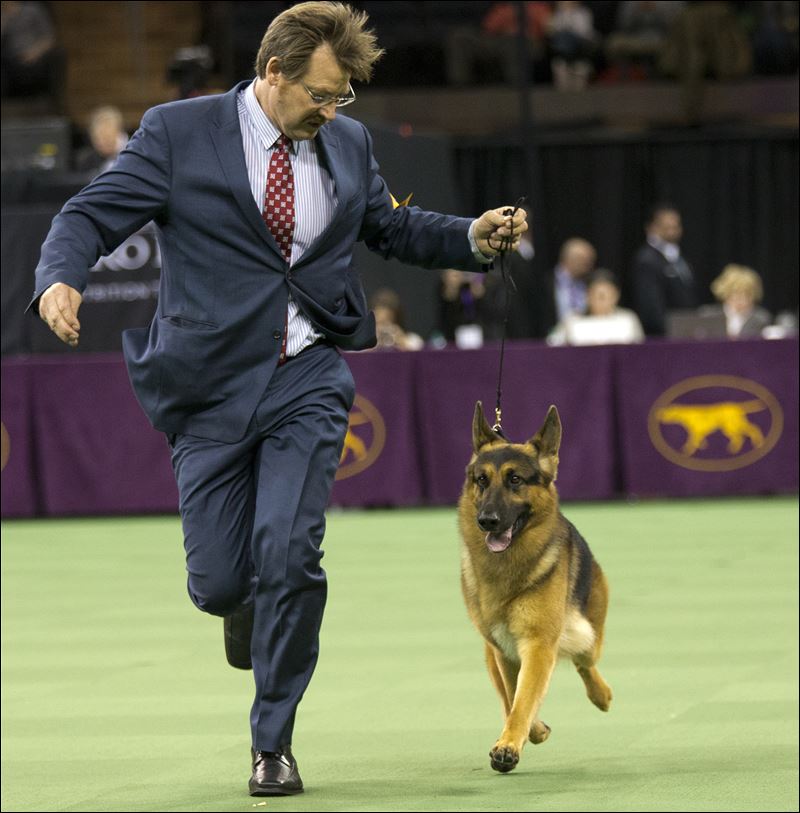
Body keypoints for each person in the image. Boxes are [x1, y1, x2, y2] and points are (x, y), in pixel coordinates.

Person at [29, 1, 527, 798]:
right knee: (222, 582)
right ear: (273, 74)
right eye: (322, 95)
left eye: (343, 99)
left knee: (291, 553)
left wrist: (471, 235)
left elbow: (391, 229)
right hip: (208, 383)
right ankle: (242, 606)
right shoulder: (176, 133)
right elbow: (89, 214)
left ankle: (273, 741)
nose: (333, 112)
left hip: (308, 374)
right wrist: (59, 276)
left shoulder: (348, 141)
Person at [630, 203, 697, 336]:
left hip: (686, 332)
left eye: (675, 226)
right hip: (663, 336)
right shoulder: (647, 260)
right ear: (651, 228)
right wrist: (673, 330)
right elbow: (651, 308)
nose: (672, 231)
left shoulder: (679, 257)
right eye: (666, 227)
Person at [549, 268, 645, 345]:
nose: (601, 300)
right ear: (587, 295)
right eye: (597, 295)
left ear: (616, 296)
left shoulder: (628, 319)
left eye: (605, 296)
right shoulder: (572, 320)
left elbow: (639, 350)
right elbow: (553, 344)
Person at [532, 236, 596, 338]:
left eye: (590, 260)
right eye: (582, 259)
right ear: (567, 258)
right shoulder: (545, 283)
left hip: (584, 340)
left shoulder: (591, 283)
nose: (587, 265)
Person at [707, 263, 772, 338]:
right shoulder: (710, 316)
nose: (742, 298)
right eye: (736, 293)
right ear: (726, 293)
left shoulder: (762, 319)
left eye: (747, 294)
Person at [73, 106, 129, 176]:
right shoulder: (87, 161)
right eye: (98, 139)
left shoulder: (132, 154)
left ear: (118, 133)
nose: (102, 143)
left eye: (107, 138)